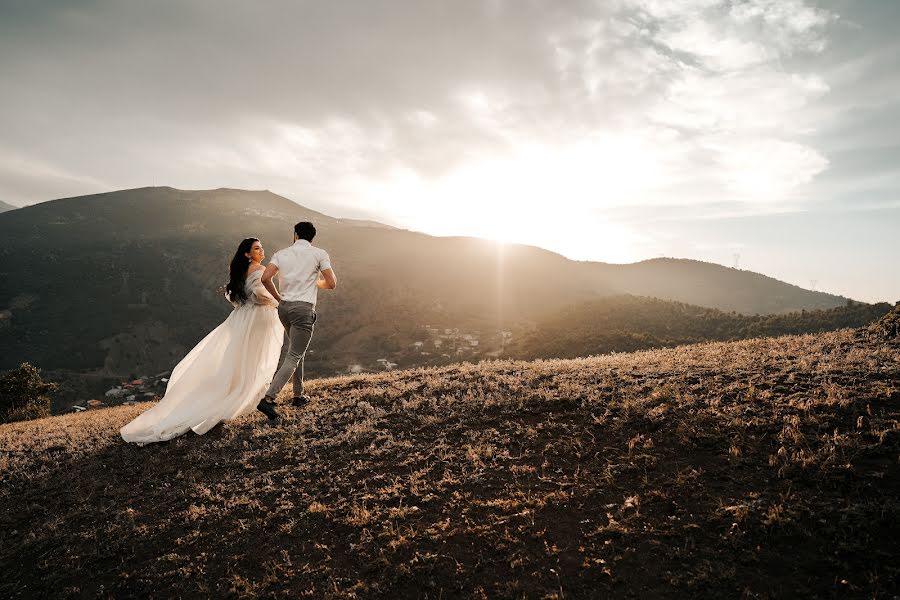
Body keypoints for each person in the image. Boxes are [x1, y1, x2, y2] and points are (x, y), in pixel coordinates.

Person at [120, 238, 283, 444]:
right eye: (257, 248)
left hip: (242, 319)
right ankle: (257, 398)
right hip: (259, 318)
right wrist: (278, 301)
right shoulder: (259, 269)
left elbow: (234, 298)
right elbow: (260, 295)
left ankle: (248, 397)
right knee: (257, 359)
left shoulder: (240, 273)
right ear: (247, 254)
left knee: (240, 360)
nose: (262, 250)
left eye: (261, 247)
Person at [256, 221, 336, 421]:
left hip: (284, 308)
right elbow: (332, 283)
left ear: (295, 235)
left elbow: (266, 278)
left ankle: (298, 395)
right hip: (303, 309)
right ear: (312, 238)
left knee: (295, 350)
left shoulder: (281, 254)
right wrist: (315, 282)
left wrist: (278, 298)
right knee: (294, 354)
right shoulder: (319, 254)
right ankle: (268, 399)